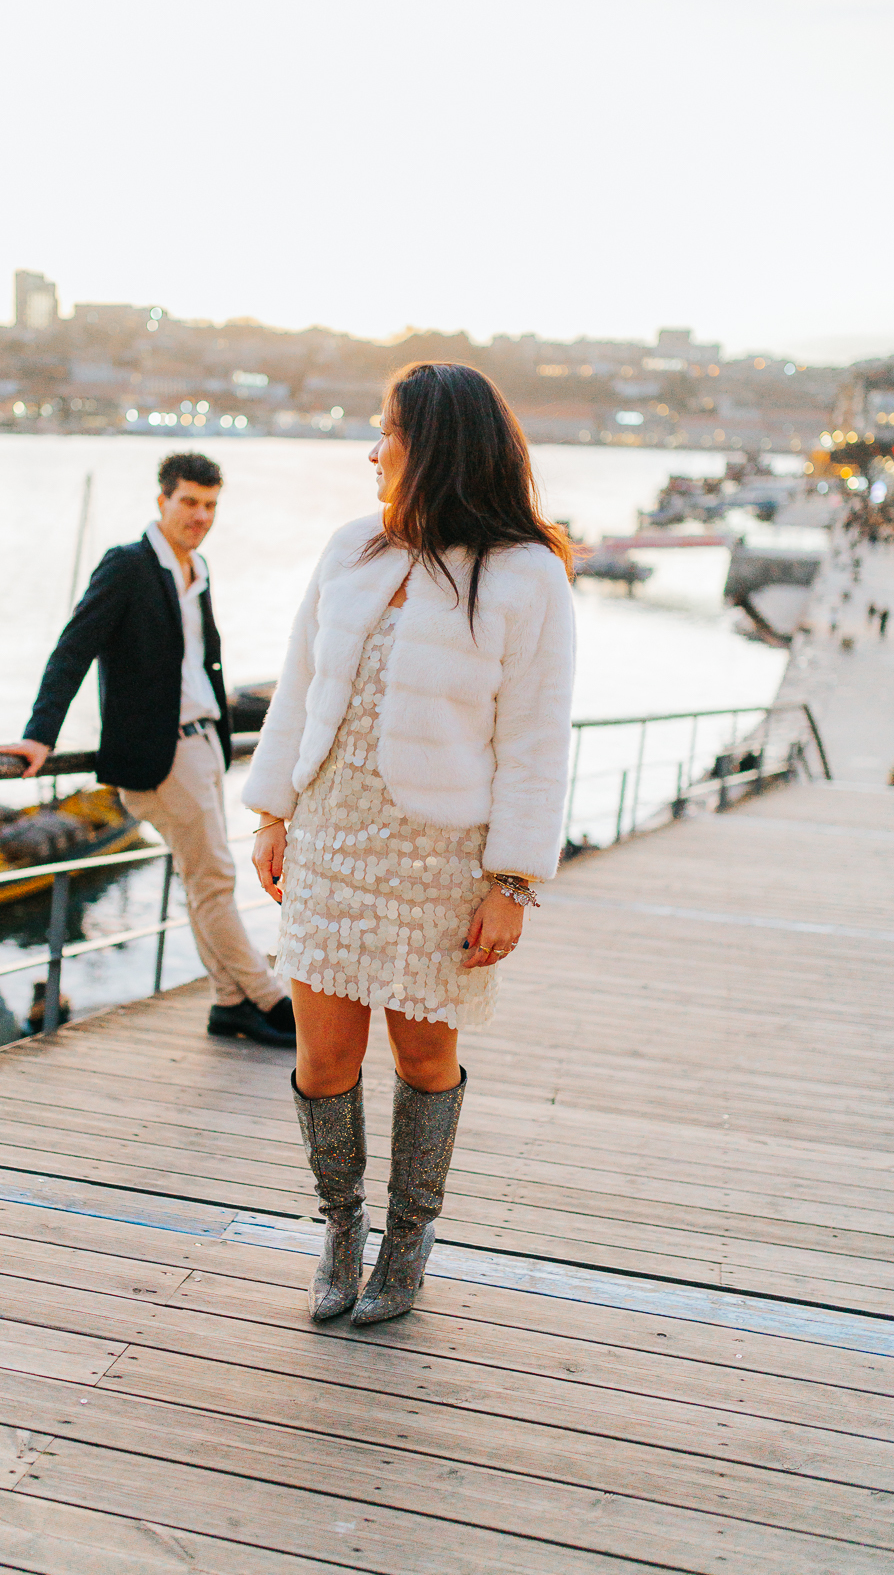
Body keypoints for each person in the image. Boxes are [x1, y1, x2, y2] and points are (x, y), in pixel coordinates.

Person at [244, 363, 575, 1324]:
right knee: (322, 1061)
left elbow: (535, 738)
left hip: (440, 858)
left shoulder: (525, 574)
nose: (373, 448)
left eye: (386, 430)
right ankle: (341, 1231)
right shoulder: (350, 549)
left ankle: (410, 1236)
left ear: (432, 445)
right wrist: (273, 815)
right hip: (333, 839)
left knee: (426, 1055)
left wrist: (512, 879)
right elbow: (299, 689)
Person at [0, 451, 295, 1049]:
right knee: (213, 878)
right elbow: (74, 647)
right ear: (162, 501)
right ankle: (269, 998)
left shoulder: (197, 568)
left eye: (210, 505)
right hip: (162, 755)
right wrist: (40, 733)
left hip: (207, 743)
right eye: (189, 502)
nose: (200, 515)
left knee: (203, 879)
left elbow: (201, 666)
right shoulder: (128, 565)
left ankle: (230, 1003)